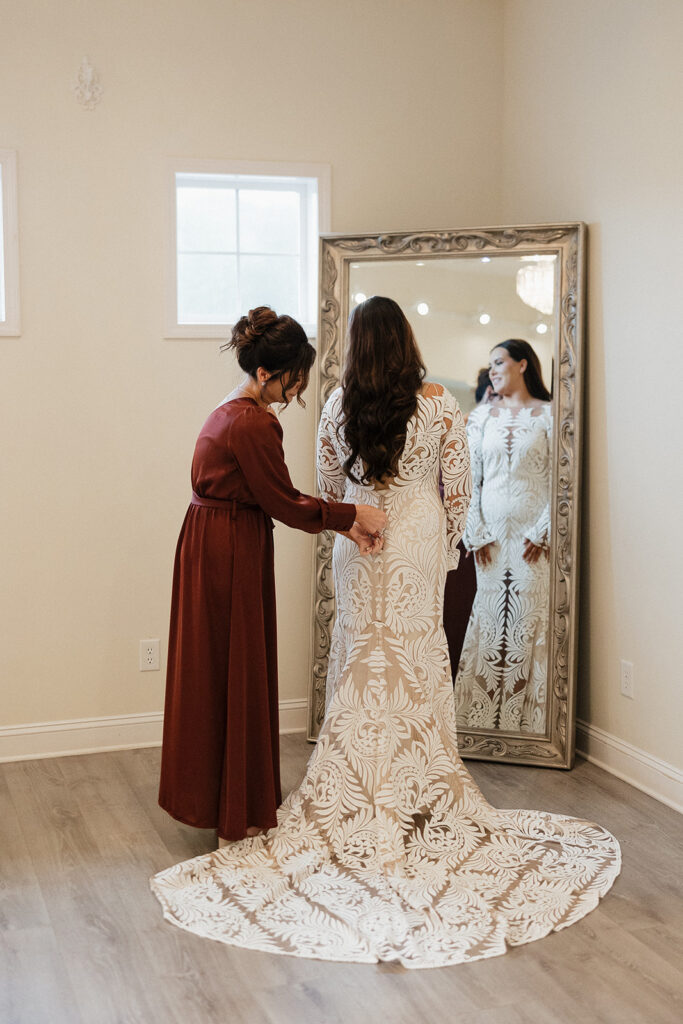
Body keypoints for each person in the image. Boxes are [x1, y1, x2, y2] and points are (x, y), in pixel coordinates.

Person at [152, 299, 619, 968]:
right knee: (413, 654)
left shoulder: (340, 403)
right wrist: (448, 539)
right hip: (416, 536)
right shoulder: (438, 401)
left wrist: (354, 519)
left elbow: (326, 481)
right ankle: (418, 786)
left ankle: (355, 788)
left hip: (356, 536)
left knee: (362, 658)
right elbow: (457, 486)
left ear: (356, 345)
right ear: (406, 340)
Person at [158, 307, 386, 842]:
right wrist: (352, 515)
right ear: (266, 373)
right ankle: (235, 814)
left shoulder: (228, 408)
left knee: (214, 669)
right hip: (230, 548)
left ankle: (222, 802)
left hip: (209, 540)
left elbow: (274, 498)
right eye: (293, 377)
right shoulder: (253, 421)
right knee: (235, 668)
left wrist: (340, 526)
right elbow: (283, 501)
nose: (297, 387)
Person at [455, 339, 552, 733]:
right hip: (490, 540)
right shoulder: (481, 419)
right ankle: (480, 720)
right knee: (491, 622)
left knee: (529, 623)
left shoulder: (550, 415)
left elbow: (559, 481)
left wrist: (544, 531)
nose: (493, 369)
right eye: (490, 364)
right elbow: (468, 480)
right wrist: (474, 533)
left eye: (500, 362)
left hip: (533, 541)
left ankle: (528, 725)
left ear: (523, 364)